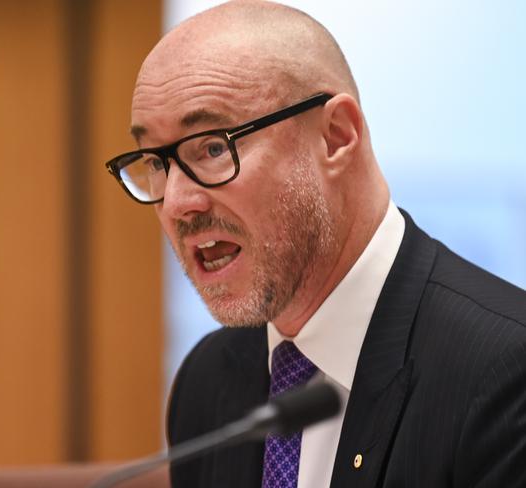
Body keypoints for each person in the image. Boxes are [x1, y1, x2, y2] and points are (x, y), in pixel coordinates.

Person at [104, 1, 526, 487]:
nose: (177, 202)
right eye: (156, 163)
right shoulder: (209, 380)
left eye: (214, 147)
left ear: (335, 136)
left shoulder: (504, 373)